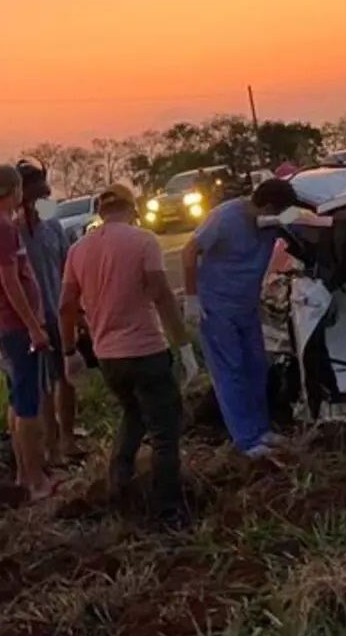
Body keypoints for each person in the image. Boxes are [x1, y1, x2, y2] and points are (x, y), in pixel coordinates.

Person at [60, 184, 198, 518]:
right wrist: (184, 346)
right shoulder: (143, 241)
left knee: (132, 414)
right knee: (165, 430)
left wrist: (70, 353)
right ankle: (168, 509)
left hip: (109, 357)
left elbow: (65, 306)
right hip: (146, 350)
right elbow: (162, 295)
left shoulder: (78, 250)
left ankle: (118, 488)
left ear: (100, 212)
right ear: (132, 210)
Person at [181, 178, 299, 459]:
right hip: (217, 307)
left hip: (246, 306)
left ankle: (261, 428)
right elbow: (188, 252)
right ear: (268, 206)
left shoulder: (272, 225)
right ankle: (246, 439)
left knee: (255, 367)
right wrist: (191, 298)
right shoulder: (225, 218)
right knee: (230, 371)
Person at [0, 164, 57, 501]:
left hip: (8, 323)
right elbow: (10, 281)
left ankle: (25, 476)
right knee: (28, 405)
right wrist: (33, 326)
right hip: (15, 326)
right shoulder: (3, 229)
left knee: (17, 400)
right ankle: (37, 481)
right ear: (16, 191)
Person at [16, 159, 80, 459]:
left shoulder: (52, 220)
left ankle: (68, 439)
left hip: (59, 312)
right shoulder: (11, 229)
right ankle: (51, 445)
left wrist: (78, 309)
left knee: (67, 378)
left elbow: (67, 265)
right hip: (32, 320)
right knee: (43, 385)